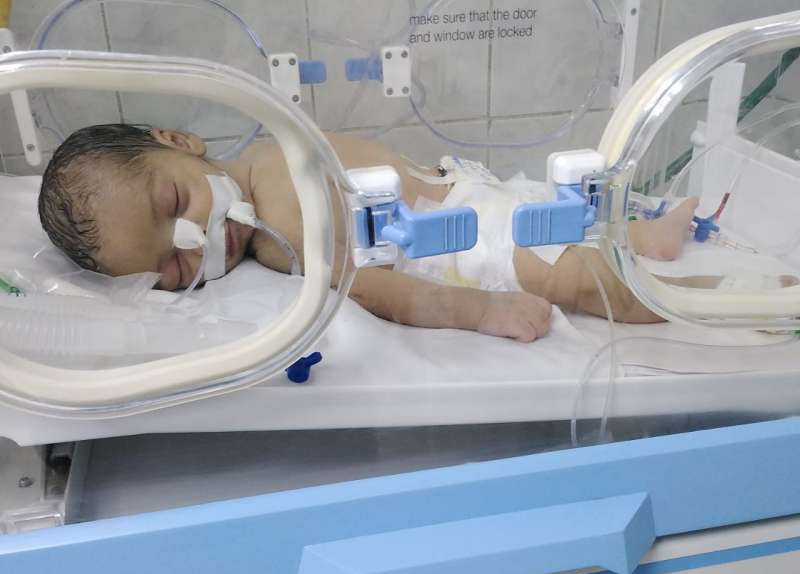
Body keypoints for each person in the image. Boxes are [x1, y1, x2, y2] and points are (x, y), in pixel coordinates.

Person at [38, 124, 699, 343]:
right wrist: (482, 310)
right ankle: (696, 303)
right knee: (580, 280)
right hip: (465, 245)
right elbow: (374, 288)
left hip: (469, 193)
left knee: (575, 216)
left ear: (181, 142)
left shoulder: (271, 150)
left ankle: (647, 238)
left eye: (176, 203)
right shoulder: (278, 237)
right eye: (176, 270)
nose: (196, 240)